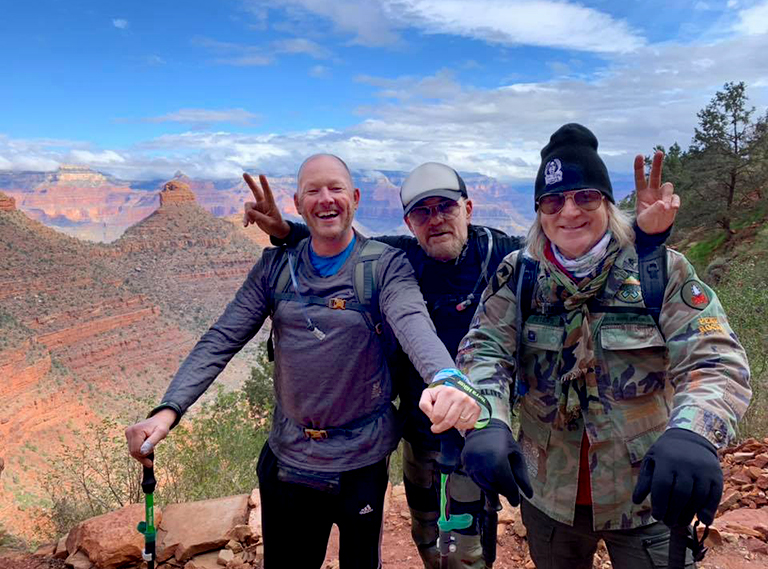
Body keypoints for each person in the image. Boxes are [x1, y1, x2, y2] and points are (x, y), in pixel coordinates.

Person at [245, 150, 678, 568]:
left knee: (466, 545)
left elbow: (576, 245)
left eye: (446, 207)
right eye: (422, 213)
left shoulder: (504, 256)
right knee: (427, 535)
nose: (436, 220)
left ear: (468, 207)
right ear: (409, 223)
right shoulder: (401, 258)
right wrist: (284, 231)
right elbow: (340, 244)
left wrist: (647, 236)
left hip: (482, 431)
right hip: (421, 434)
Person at [125, 153, 483, 569]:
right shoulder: (275, 267)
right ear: (298, 202)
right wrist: (168, 410)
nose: (325, 199)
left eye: (335, 189)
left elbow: (412, 322)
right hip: (290, 460)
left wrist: (447, 379)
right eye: (313, 190)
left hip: (361, 461)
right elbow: (222, 338)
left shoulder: (384, 266)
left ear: (355, 197)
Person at [456, 123, 752, 569]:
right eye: (553, 200)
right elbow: (485, 351)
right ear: (539, 212)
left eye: (585, 196)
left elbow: (715, 358)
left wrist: (694, 432)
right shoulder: (520, 275)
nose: (569, 211)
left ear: (607, 203)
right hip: (547, 496)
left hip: (645, 495)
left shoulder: (658, 270)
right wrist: (486, 421)